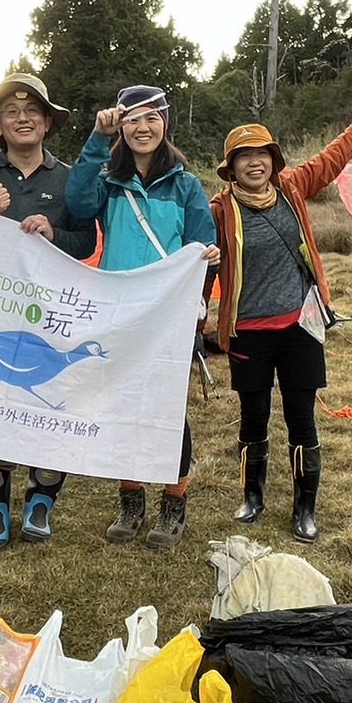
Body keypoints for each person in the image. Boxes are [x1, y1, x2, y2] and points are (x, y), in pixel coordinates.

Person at [207, 108, 352, 542]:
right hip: (249, 332)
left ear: (275, 160)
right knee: (252, 419)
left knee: (301, 419)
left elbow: (331, 160)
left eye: (263, 154)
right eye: (244, 156)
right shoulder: (219, 210)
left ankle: (304, 507)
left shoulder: (292, 187)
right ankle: (252, 497)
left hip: (300, 328)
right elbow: (203, 265)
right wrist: (197, 311)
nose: (255, 163)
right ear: (231, 166)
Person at [66, 84, 219, 550]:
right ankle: (131, 502)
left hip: (168, 316)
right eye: (133, 119)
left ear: (165, 123)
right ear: (121, 125)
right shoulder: (108, 179)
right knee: (119, 406)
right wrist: (95, 139)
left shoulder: (186, 184)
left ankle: (174, 506)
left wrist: (200, 300)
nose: (143, 127)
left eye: (152, 117)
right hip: (119, 313)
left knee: (168, 412)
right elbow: (76, 205)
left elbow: (204, 249)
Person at [0, 74, 97, 549]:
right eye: (11, 113)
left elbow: (88, 241)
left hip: (54, 311)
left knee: (53, 403)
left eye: (32, 112)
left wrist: (56, 234)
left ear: (46, 123)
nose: (23, 118)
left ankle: (42, 500)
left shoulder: (70, 178)